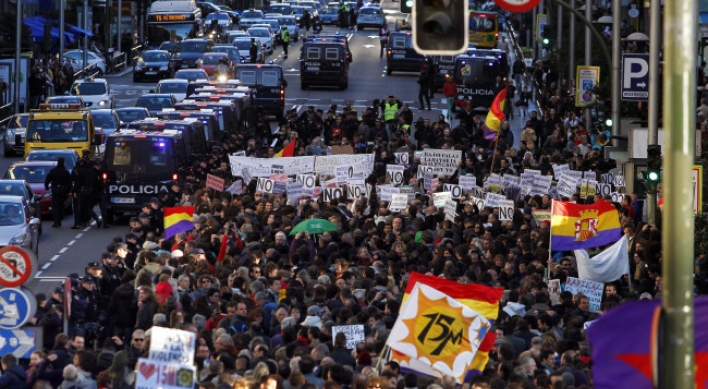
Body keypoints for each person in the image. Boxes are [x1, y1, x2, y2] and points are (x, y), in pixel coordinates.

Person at [45, 157, 73, 228]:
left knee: (55, 205)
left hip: (55, 190)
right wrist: (68, 191)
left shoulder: (53, 171)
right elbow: (69, 182)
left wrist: (47, 187)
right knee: (61, 205)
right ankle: (59, 219)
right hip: (63, 190)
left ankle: (56, 221)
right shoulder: (65, 172)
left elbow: (48, 179)